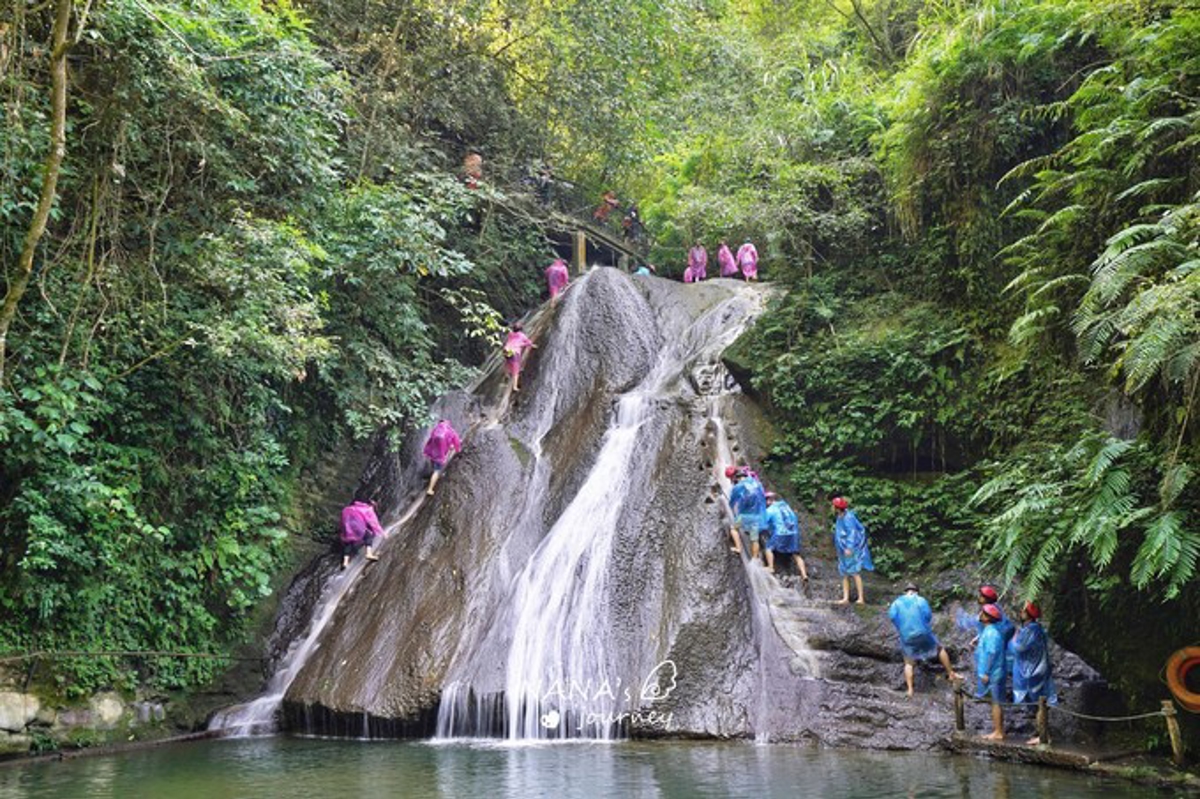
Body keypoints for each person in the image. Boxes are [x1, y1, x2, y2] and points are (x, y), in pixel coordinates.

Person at [888, 582, 962, 697]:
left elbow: (892, 616)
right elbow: (928, 615)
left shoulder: (896, 602)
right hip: (923, 632)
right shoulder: (920, 600)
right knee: (939, 649)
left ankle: (910, 690)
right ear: (916, 591)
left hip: (906, 635)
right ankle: (951, 673)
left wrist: (901, 627)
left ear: (905, 591)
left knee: (908, 662)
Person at [1011, 601, 1057, 744]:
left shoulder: (1030, 630)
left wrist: (1013, 639)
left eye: (1023, 611)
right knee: (1040, 703)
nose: (1020, 613)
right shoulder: (1037, 628)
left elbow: (1019, 648)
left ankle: (1043, 736)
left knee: (1039, 703)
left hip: (1033, 671)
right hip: (1039, 668)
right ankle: (1041, 734)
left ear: (1029, 614)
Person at [763, 492, 809, 591]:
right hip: (793, 533)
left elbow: (763, 523)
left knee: (768, 548)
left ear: (769, 500)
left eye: (766, 501)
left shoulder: (770, 510)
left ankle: (771, 567)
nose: (766, 503)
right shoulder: (786, 506)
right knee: (796, 554)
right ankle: (804, 574)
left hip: (781, 533)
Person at [975, 603, 1008, 740]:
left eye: (982, 613)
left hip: (993, 672)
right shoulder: (988, 631)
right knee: (995, 702)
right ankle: (998, 730)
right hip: (993, 671)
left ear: (987, 618)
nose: (979, 614)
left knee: (996, 702)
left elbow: (991, 654)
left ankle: (998, 732)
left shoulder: (992, 633)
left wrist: (987, 672)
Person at [832, 497, 873, 604]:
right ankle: (846, 598)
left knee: (854, 572)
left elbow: (852, 533)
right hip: (842, 548)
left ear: (837, 508)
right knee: (844, 573)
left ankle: (861, 598)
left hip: (850, 549)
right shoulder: (839, 517)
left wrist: (849, 547)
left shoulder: (848, 517)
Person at [727, 466, 767, 560]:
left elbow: (732, 502)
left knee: (733, 529)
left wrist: (731, 505)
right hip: (758, 516)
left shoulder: (739, 486)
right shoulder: (757, 483)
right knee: (754, 539)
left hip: (746, 515)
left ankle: (738, 548)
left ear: (736, 477)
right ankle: (754, 560)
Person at [340, 496, 384, 570]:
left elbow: (342, 520)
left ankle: (345, 562)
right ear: (372, 504)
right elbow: (373, 522)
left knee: (349, 541)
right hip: (357, 524)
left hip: (346, 524)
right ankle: (369, 554)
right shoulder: (367, 509)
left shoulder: (352, 507)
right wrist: (382, 532)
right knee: (368, 535)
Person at [423, 419, 462, 496]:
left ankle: (432, 473)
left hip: (432, 452)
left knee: (434, 464)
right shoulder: (451, 431)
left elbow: (431, 438)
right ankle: (430, 489)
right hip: (440, 455)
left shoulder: (436, 429)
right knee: (437, 471)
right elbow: (457, 442)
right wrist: (457, 450)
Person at [503, 322, 536, 393]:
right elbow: (528, 342)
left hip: (507, 349)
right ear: (521, 329)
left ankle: (506, 374)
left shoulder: (510, 334)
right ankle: (514, 387)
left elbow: (512, 341)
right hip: (514, 352)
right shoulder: (522, 335)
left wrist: (522, 344)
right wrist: (532, 345)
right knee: (516, 371)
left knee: (507, 362)